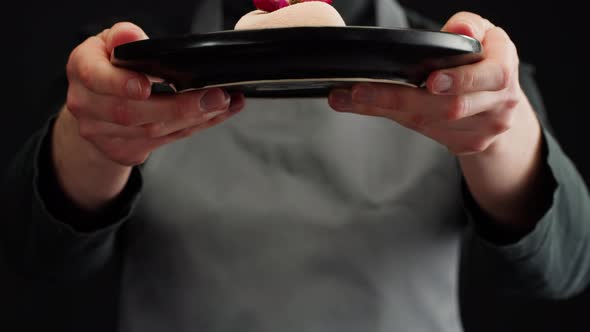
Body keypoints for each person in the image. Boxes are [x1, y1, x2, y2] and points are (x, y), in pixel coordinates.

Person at [2, 0, 589, 331]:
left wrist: (496, 136)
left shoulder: (461, 66)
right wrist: (97, 143)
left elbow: (564, 268)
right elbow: (32, 258)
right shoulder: (131, 68)